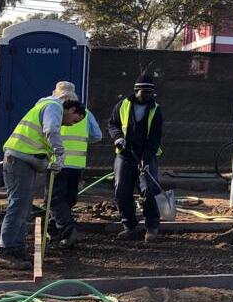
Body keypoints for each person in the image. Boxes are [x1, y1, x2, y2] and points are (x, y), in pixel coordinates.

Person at [0, 83, 85, 270]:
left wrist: (46, 161)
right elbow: (51, 130)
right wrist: (60, 152)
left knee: (23, 206)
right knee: (18, 205)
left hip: (20, 161)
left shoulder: (45, 106)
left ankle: (15, 249)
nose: (71, 124)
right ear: (72, 107)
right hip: (18, 161)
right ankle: (6, 251)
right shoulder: (54, 106)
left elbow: (37, 143)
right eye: (75, 120)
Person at [108, 74, 164, 242]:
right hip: (125, 155)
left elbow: (155, 138)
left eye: (149, 93)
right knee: (121, 191)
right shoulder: (123, 105)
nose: (146, 96)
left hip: (146, 156)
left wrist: (145, 160)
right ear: (136, 91)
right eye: (143, 92)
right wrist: (118, 137)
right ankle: (129, 227)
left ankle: (152, 227)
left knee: (149, 190)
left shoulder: (155, 109)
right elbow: (112, 123)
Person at [48, 102, 103, 247]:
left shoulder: (54, 112)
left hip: (56, 163)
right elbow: (97, 135)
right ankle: (54, 229)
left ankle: (65, 229)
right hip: (77, 164)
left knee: (55, 198)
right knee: (68, 198)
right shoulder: (87, 114)